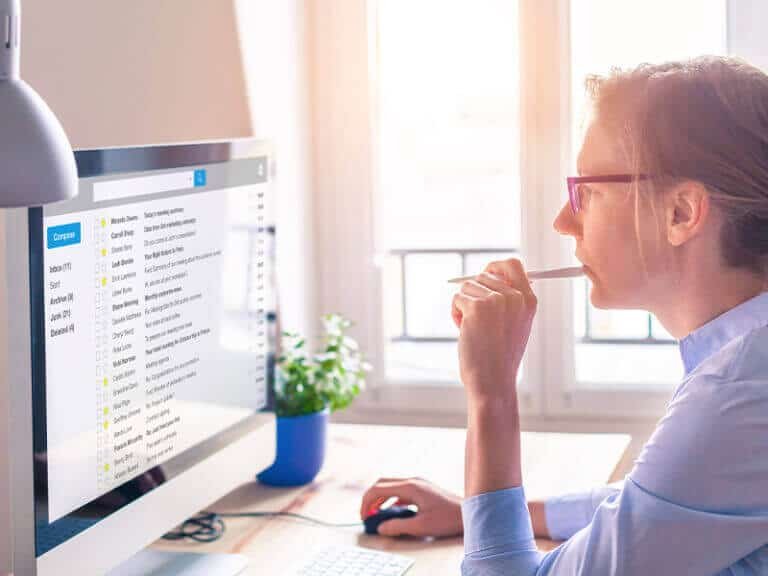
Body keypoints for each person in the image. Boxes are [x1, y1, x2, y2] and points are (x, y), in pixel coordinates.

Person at [359, 56, 768, 574]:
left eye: (588, 192)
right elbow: (656, 505)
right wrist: (476, 513)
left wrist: (492, 393)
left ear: (681, 213)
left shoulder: (738, 393)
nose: (563, 221)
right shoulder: (748, 364)